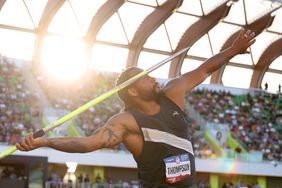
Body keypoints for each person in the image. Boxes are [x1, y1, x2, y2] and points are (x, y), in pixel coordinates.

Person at [16, 29, 256, 187]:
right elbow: (88, 143)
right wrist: (45, 142)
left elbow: (204, 69)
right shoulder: (125, 121)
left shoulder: (173, 92)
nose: (153, 79)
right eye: (145, 78)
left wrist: (233, 50)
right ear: (131, 90)